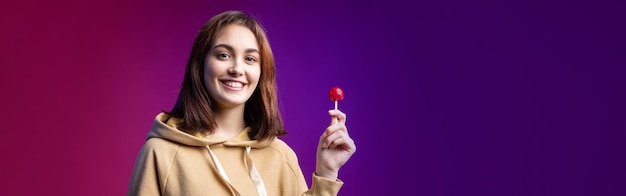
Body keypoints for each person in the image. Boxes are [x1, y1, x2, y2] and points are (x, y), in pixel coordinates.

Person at [127, 10, 356, 196]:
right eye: (224, 55)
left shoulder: (280, 155)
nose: (237, 69)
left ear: (261, 72)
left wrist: (327, 172)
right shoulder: (160, 153)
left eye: (250, 59)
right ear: (200, 65)